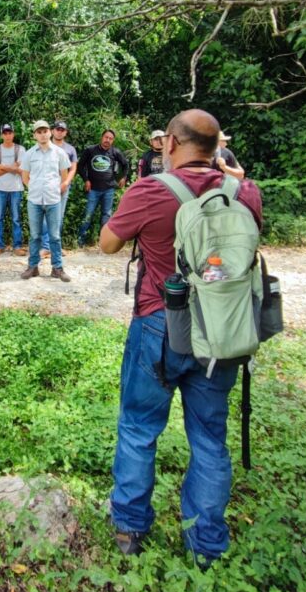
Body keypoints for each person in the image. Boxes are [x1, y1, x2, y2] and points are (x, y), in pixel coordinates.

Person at [99, 109, 263, 565]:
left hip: (159, 324)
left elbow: (107, 243)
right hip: (222, 330)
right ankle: (205, 546)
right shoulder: (245, 192)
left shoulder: (151, 189)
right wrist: (238, 179)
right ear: (217, 148)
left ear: (169, 143)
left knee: (138, 426)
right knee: (210, 438)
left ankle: (130, 527)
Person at [20, 119, 71, 282]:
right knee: (35, 235)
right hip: (34, 201)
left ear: (50, 132)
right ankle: (33, 267)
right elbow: (25, 177)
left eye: (45, 131)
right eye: (39, 132)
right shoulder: (29, 154)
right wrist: (34, 188)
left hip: (53, 200)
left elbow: (64, 175)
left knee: (55, 236)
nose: (42, 135)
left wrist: (55, 188)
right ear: (35, 135)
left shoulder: (59, 153)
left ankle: (57, 268)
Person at [77, 129, 129, 247]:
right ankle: (80, 240)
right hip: (93, 189)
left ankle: (103, 242)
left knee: (106, 215)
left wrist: (123, 178)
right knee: (88, 214)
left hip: (109, 189)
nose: (108, 140)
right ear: (102, 137)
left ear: (113, 140)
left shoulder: (115, 152)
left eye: (110, 139)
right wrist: (86, 180)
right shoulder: (90, 150)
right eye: (106, 137)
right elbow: (80, 166)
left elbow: (125, 165)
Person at [40, 120, 78, 256]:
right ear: (52, 131)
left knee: (59, 218)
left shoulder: (70, 149)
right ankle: (45, 247)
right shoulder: (45, 146)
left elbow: (73, 168)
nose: (59, 131)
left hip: (63, 187)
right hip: (47, 187)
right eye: (57, 129)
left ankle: (56, 247)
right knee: (45, 218)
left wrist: (66, 183)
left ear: (65, 132)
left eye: (62, 130)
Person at [0, 123, 26, 256]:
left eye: (10, 132)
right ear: (1, 135)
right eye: (5, 133)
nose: (7, 135)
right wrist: (12, 167)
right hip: (0, 189)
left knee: (16, 218)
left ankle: (17, 246)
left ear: (13, 134)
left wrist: (3, 167)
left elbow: (22, 170)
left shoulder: (20, 149)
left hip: (16, 189)